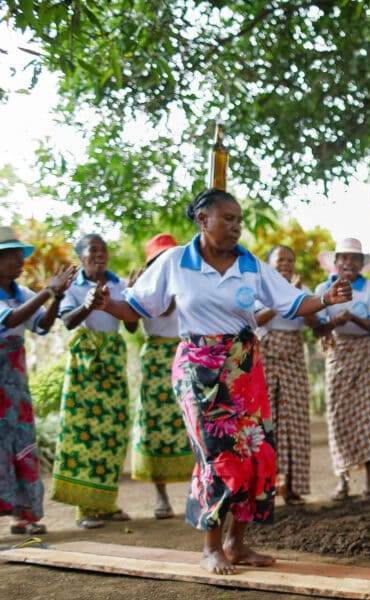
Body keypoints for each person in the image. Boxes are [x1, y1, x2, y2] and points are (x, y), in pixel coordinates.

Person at [98, 189, 353, 574]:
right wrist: (102, 304)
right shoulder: (174, 262)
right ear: (203, 220)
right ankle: (211, 547)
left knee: (257, 453)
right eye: (228, 218)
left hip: (245, 366)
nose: (236, 226)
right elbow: (137, 306)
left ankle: (237, 543)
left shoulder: (250, 264)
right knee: (219, 455)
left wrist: (326, 298)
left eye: (238, 219)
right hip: (198, 367)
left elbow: (291, 303)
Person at [52, 233, 137, 530]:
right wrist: (89, 304)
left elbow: (131, 325)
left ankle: (106, 504)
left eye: (103, 250)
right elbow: (68, 322)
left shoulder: (120, 285)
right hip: (85, 365)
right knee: (84, 433)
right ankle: (84, 507)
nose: (100, 255)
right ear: (81, 257)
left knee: (113, 433)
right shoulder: (73, 288)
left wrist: (129, 298)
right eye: (92, 251)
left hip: (113, 359)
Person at [0, 227, 76, 535]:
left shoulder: (22, 294)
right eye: (13, 257)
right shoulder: (18, 299)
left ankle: (26, 514)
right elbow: (11, 319)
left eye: (21, 256)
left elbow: (42, 325)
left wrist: (55, 297)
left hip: (14, 378)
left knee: (21, 437)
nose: (20, 262)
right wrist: (48, 291)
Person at [129, 234, 195, 520]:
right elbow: (131, 325)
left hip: (186, 354)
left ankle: (196, 494)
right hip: (156, 359)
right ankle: (161, 496)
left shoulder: (188, 282)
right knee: (155, 425)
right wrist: (131, 293)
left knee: (193, 423)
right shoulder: (142, 287)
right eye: (160, 259)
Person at [315, 238, 370, 501]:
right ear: (336, 263)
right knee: (337, 416)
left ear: (361, 264)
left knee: (367, 414)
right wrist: (335, 321)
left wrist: (353, 317)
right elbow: (318, 329)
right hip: (336, 353)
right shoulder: (324, 288)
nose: (348, 263)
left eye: (354, 259)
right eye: (343, 258)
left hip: (364, 355)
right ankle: (343, 480)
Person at [254, 244, 319, 506]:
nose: (286, 265)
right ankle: (265, 488)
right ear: (269, 265)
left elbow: (315, 324)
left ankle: (292, 486)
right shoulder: (260, 289)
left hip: (293, 357)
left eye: (290, 260)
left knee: (295, 421)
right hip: (265, 356)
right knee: (264, 420)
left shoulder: (302, 291)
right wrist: (285, 299)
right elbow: (255, 320)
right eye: (280, 260)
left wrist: (295, 295)